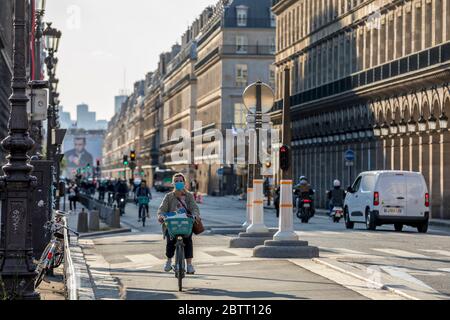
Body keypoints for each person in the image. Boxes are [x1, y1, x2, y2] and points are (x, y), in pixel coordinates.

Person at [157, 173, 200, 275]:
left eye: (180, 181)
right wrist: (161, 216)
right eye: (176, 181)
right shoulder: (168, 196)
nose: (178, 183)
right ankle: (168, 261)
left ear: (184, 182)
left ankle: (189, 265)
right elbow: (161, 209)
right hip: (172, 225)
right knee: (170, 241)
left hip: (185, 224)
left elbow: (194, 208)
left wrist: (195, 215)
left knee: (188, 240)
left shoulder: (189, 196)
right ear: (173, 183)